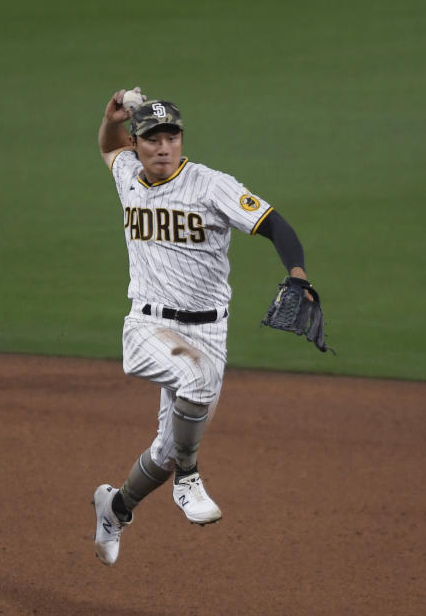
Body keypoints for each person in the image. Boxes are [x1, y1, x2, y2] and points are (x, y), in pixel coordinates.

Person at [92, 88, 317, 566]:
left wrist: (298, 274)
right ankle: (190, 477)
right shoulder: (128, 175)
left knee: (166, 451)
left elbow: (276, 224)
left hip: (209, 335)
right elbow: (109, 148)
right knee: (193, 389)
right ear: (139, 144)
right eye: (152, 138)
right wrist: (110, 120)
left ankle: (114, 507)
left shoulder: (211, 185)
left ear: (180, 140)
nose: (163, 147)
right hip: (147, 327)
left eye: (170, 136)